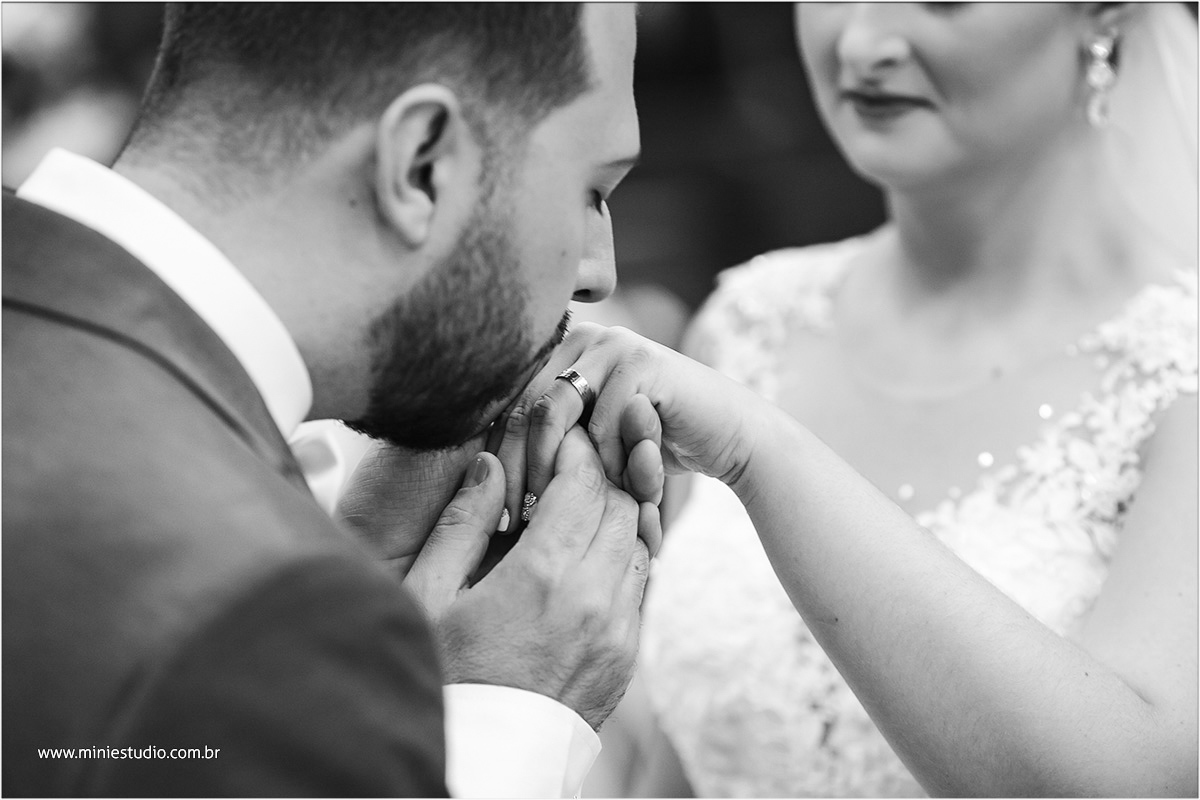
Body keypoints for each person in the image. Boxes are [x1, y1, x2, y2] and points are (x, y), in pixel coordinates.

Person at [495, 2, 1198, 796]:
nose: (862, 41)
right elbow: (671, 751)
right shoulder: (755, 321)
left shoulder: (1184, 367)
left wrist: (760, 451)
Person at [2, 4, 659, 797]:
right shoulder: (257, 607)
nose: (600, 273)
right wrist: (508, 721)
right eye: (593, 189)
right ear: (422, 163)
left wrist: (348, 679)